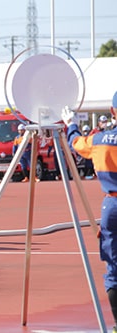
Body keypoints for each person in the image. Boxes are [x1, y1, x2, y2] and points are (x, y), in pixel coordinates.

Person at [62, 92, 117, 332]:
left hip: (112, 206)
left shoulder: (99, 139)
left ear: (113, 111)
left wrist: (71, 125)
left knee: (114, 268)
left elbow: (76, 144)